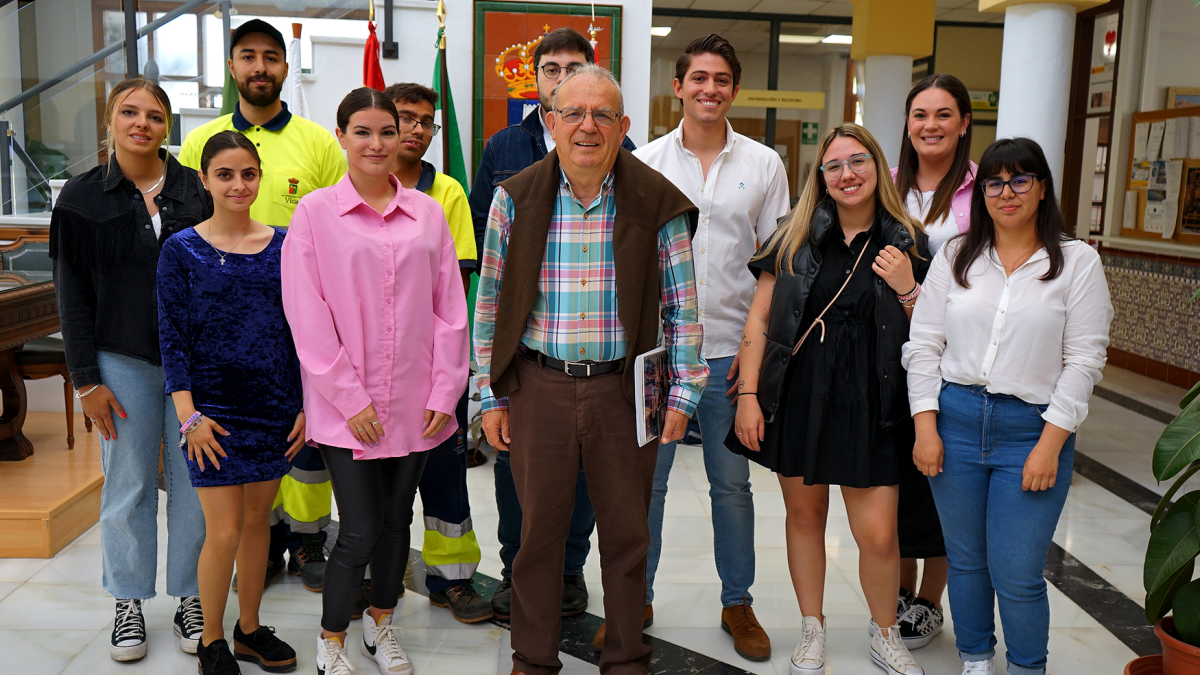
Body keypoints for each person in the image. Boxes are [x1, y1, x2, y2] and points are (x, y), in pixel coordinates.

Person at [475, 64, 707, 675]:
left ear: (623, 126)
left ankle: (627, 658)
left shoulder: (657, 201)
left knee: (628, 539)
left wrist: (683, 395)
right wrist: (489, 394)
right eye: (572, 113)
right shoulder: (514, 198)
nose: (587, 126)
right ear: (549, 122)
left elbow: (683, 307)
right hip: (538, 387)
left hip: (627, 391)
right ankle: (533, 658)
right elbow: (490, 305)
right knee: (537, 541)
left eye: (603, 114)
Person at [600, 33, 789, 662]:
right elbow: (623, 257)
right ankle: (636, 596)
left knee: (731, 484)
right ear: (677, 87)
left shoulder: (764, 164)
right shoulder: (645, 162)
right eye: (698, 78)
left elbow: (774, 268)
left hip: (732, 351)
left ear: (735, 89)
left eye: (722, 79)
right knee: (644, 485)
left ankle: (738, 600)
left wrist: (755, 356)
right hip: (658, 353)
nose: (710, 89)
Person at [903, 138, 1113, 675]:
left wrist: (1049, 445)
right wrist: (926, 427)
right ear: (982, 193)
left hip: (1031, 430)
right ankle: (975, 658)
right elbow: (924, 345)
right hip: (956, 422)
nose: (1007, 192)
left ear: (1042, 188)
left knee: (1017, 571)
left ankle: (1026, 668)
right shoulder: (956, 256)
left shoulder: (1077, 263)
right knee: (967, 562)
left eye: (1021, 180)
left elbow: (1084, 362)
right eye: (995, 182)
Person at [282, 88, 468, 675]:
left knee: (397, 523)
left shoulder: (427, 212)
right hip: (347, 406)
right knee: (359, 528)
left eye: (388, 131)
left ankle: (380, 624)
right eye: (363, 131)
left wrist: (444, 392)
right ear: (340, 137)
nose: (377, 143)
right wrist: (348, 396)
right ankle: (331, 639)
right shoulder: (314, 213)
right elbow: (306, 315)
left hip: (415, 401)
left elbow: (450, 311)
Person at [730, 124, 928, 675]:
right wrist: (749, 396)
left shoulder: (909, 239)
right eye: (834, 165)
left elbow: (935, 333)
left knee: (880, 534)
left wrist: (909, 286)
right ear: (821, 177)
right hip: (803, 392)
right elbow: (760, 319)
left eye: (858, 161)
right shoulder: (792, 237)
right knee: (804, 516)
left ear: (878, 166)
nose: (847, 174)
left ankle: (885, 632)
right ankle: (812, 628)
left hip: (876, 396)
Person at [468, 27, 637, 620]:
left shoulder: (625, 155)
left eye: (577, 66)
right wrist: (486, 383)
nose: (565, 78)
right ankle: (521, 571)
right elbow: (489, 265)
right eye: (553, 70)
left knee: (590, 480)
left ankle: (568, 570)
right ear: (537, 82)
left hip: (605, 357)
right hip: (531, 354)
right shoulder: (504, 150)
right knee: (522, 476)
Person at [179, 19, 347, 593]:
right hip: (220, 347)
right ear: (232, 67)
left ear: (285, 67)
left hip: (291, 334)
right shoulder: (199, 142)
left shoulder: (320, 143)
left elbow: (335, 233)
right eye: (247, 56)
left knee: (298, 453)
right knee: (232, 520)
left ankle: (303, 543)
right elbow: (184, 245)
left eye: (271, 57)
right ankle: (244, 583)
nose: (260, 67)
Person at [50, 78, 207, 662]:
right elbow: (72, 295)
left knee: (195, 484)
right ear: (110, 121)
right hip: (121, 362)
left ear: (169, 126)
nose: (143, 123)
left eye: (155, 115)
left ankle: (191, 593)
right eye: (130, 112)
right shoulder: (81, 198)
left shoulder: (196, 189)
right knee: (130, 482)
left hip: (194, 365)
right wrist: (86, 379)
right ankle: (128, 600)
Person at [158, 130, 302, 675]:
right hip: (211, 414)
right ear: (204, 179)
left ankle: (249, 629)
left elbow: (306, 330)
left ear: (259, 176)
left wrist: (306, 403)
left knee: (259, 521)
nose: (238, 184)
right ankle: (211, 640)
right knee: (222, 529)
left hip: (275, 406)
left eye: (248, 173)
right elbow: (172, 339)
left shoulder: (287, 244)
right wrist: (188, 415)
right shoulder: (182, 249)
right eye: (225, 174)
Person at [381, 81, 490, 623]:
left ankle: (452, 578)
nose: (417, 130)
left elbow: (455, 291)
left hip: (433, 364)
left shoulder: (446, 192)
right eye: (406, 117)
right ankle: (380, 574)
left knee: (444, 475)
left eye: (427, 121)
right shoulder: (349, 189)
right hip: (374, 367)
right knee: (377, 479)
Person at [887, 72, 977, 648]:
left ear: (965, 123)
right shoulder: (887, 183)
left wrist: (910, 293)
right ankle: (897, 590)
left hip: (954, 358)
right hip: (884, 359)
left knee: (940, 478)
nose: (931, 125)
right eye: (921, 114)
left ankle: (928, 601)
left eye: (944, 114)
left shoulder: (982, 190)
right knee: (892, 477)